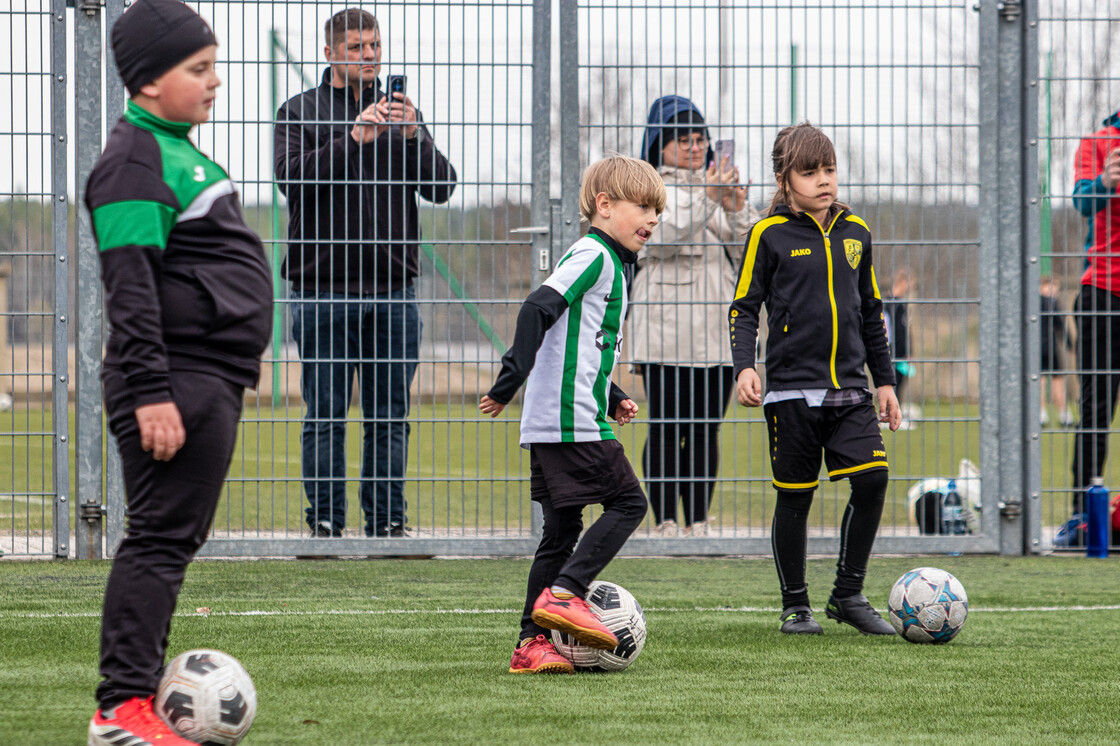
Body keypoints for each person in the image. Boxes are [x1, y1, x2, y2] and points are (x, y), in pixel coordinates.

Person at [86, 1, 273, 743]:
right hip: (177, 377)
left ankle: (133, 701)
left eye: (213, 66)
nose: (215, 82)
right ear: (149, 80)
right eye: (198, 69)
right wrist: (153, 393)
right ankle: (121, 711)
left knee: (169, 540)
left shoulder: (175, 147)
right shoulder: (134, 161)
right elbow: (129, 288)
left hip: (208, 374)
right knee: (158, 540)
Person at [275, 8, 457, 538]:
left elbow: (442, 188)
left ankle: (386, 523)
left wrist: (415, 134)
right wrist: (353, 137)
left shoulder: (403, 120)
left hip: (393, 295)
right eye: (356, 47)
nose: (369, 55)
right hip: (320, 291)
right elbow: (292, 180)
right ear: (330, 53)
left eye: (374, 46)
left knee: (388, 417)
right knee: (326, 416)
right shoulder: (300, 112)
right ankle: (326, 522)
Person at [479, 155, 665, 673]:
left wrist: (612, 392)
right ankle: (566, 593)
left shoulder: (611, 262)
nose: (652, 219)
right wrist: (509, 377)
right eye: (643, 207)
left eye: (657, 211)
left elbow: (577, 349)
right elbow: (538, 308)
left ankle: (530, 645)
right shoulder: (594, 255)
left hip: (561, 416)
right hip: (569, 418)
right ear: (604, 206)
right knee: (629, 504)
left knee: (560, 533)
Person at [729, 123, 901, 636]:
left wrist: (885, 382)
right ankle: (796, 604)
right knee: (795, 497)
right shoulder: (767, 234)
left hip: (852, 391)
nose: (823, 180)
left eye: (829, 169)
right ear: (785, 179)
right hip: (789, 394)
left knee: (872, 479)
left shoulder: (857, 233)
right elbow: (744, 308)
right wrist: (745, 366)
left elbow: (872, 312)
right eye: (809, 171)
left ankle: (848, 594)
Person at [631, 95, 759, 537]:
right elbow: (660, 237)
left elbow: (751, 252)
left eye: (701, 138)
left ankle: (699, 521)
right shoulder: (645, 187)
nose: (694, 146)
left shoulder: (714, 189)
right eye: (682, 139)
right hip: (664, 329)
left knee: (706, 429)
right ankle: (665, 520)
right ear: (659, 144)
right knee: (667, 426)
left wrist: (738, 205)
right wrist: (708, 197)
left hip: (715, 329)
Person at [1069, 107, 1120, 523]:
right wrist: (1105, 181)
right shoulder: (1098, 143)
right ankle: (1083, 515)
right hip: (1103, 293)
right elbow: (1081, 201)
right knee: (1095, 409)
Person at [883, 267, 916, 428]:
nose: (909, 287)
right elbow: (890, 331)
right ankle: (889, 415)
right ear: (902, 282)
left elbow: (904, 331)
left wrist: (909, 351)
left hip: (902, 353)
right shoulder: (890, 304)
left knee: (900, 382)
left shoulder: (901, 304)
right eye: (908, 283)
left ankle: (895, 413)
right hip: (893, 352)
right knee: (892, 383)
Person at [1039, 275, 1073, 427]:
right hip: (1047, 348)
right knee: (1053, 381)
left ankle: (1046, 415)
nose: (1055, 291)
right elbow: (1059, 324)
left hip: (1042, 348)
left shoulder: (1035, 303)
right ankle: (1062, 415)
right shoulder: (1050, 302)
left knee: (1045, 381)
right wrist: (1070, 343)